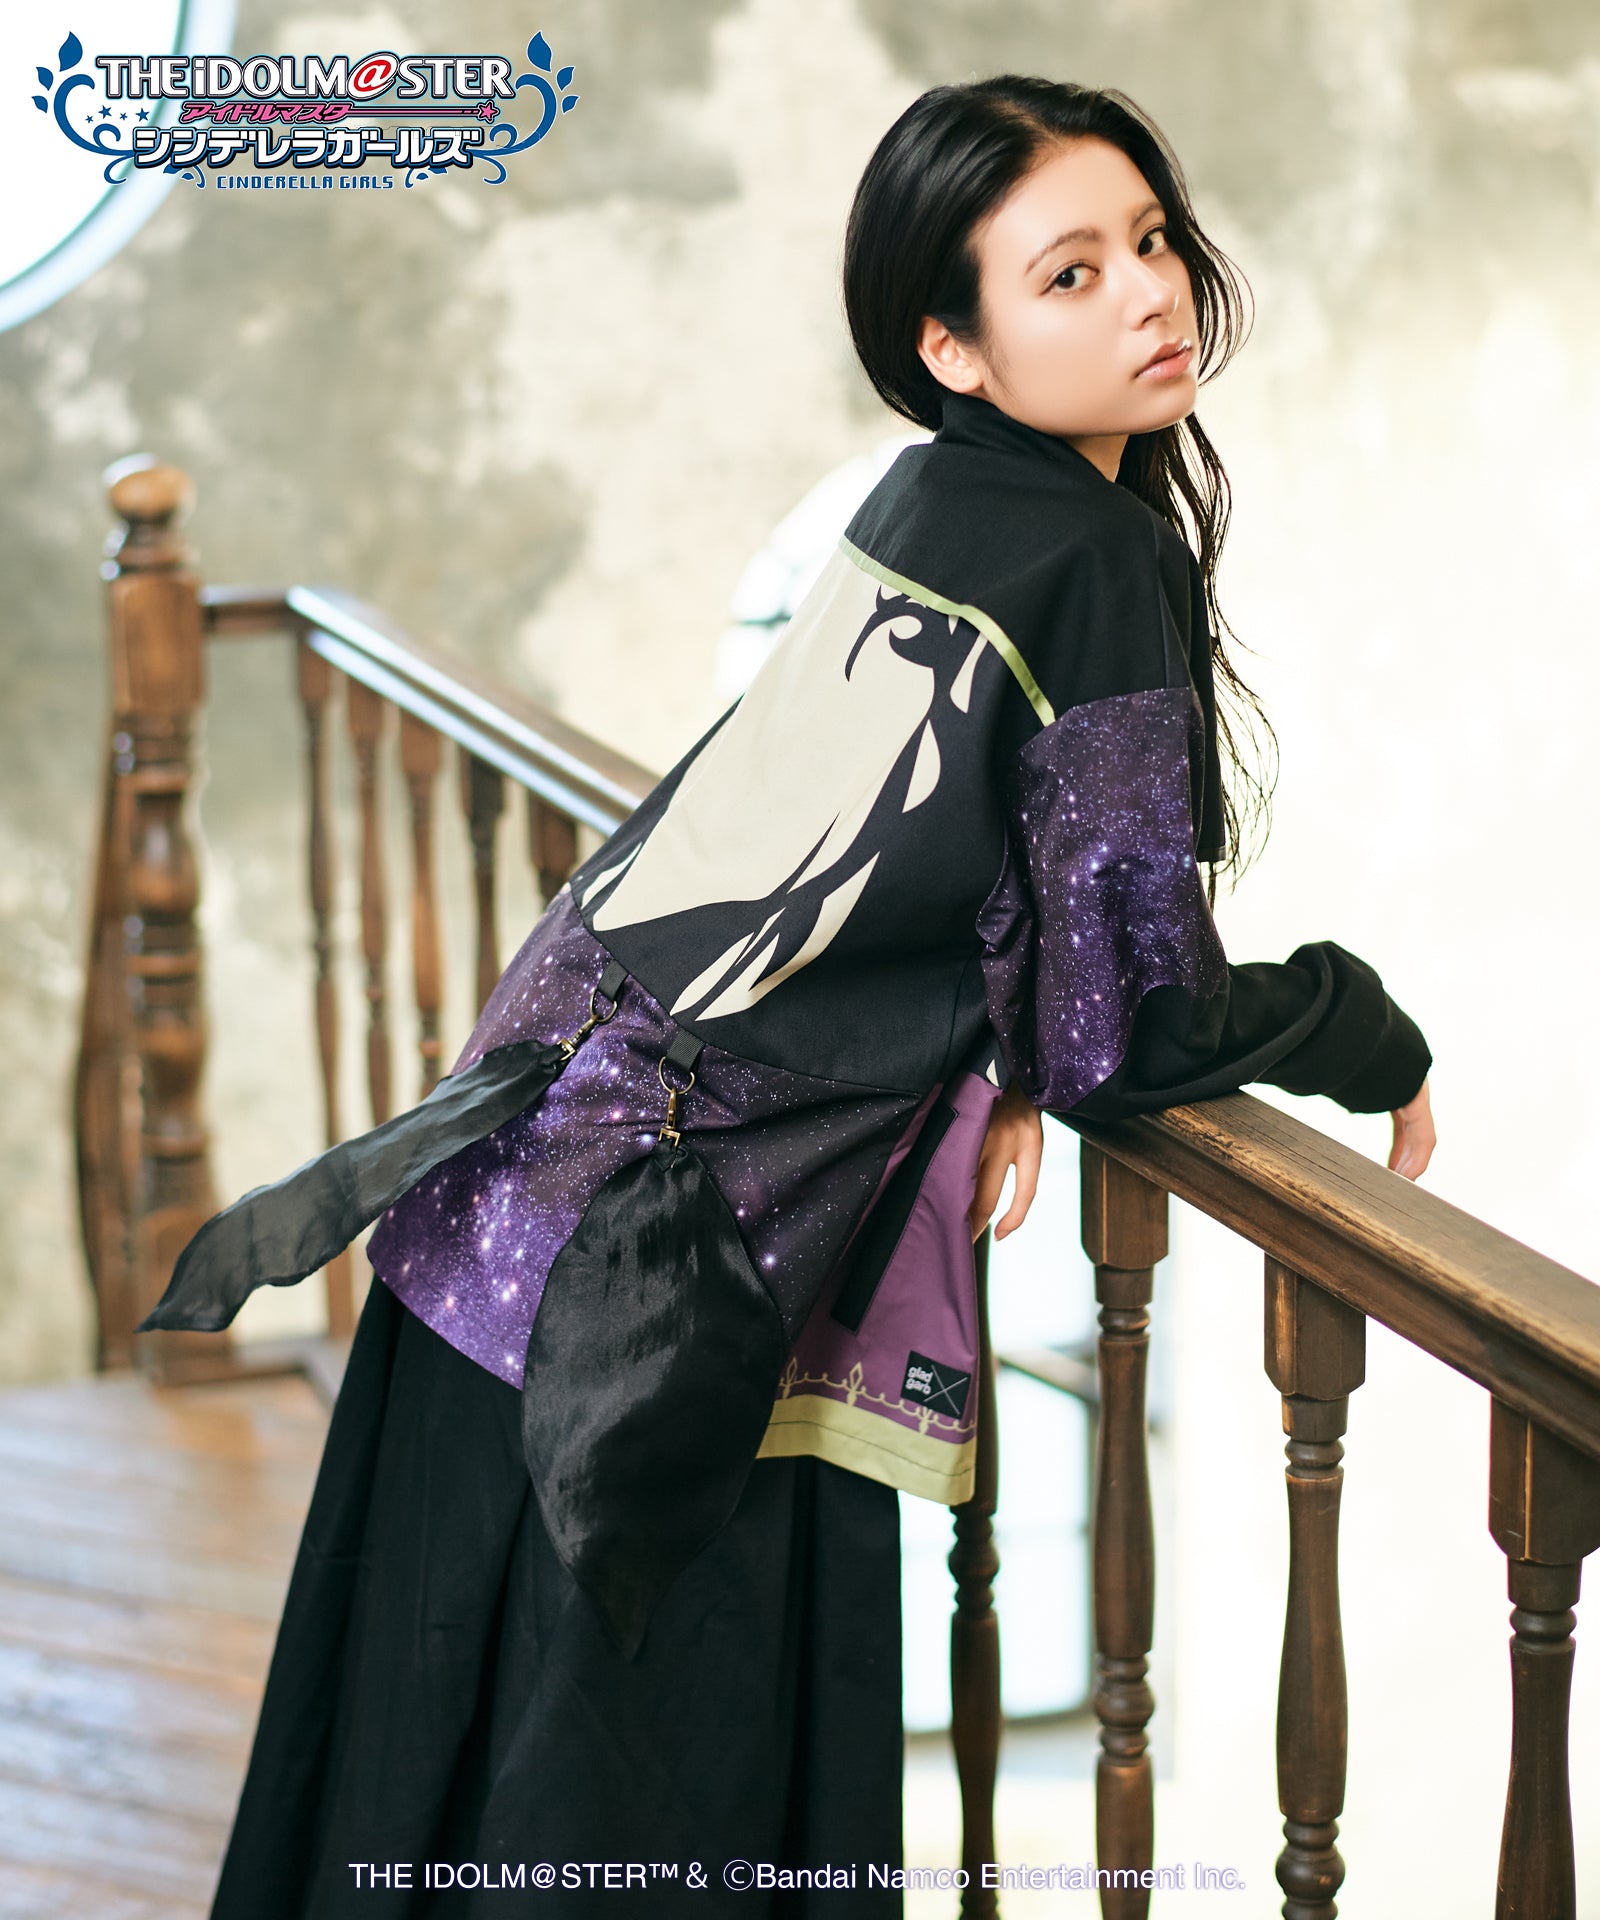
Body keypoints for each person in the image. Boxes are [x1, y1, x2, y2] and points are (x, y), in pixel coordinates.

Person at [142, 75, 1435, 1918]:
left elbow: (882, 855)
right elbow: (1130, 1028)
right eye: (1071, 273)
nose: (1153, 293)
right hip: (664, 1292)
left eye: (1151, 240)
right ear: (952, 347)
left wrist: (985, 1050)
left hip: (513, 1177)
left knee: (428, 1785)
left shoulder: (934, 495)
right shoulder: (1088, 558)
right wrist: (1362, 1025)